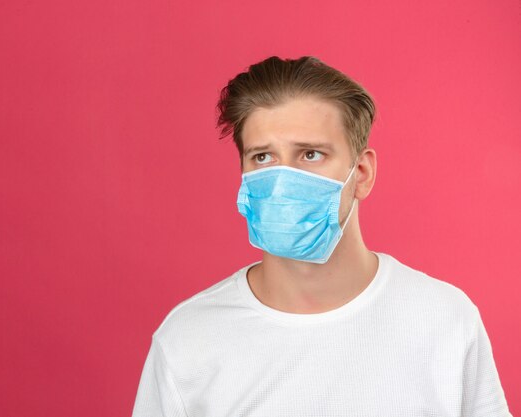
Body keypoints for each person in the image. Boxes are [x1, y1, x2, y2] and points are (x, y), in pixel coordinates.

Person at [131, 56, 512, 416]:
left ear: (361, 173)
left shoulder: (443, 319)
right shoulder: (188, 341)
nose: (283, 180)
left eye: (310, 154)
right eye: (262, 157)